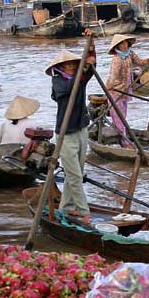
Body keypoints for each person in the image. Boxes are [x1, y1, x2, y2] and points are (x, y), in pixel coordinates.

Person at [46, 37, 96, 224]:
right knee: (75, 175)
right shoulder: (58, 81)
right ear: (61, 66)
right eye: (68, 64)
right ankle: (84, 211)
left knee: (76, 172)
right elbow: (69, 88)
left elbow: (91, 68)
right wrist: (83, 66)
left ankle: (67, 207)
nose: (72, 66)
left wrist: (91, 48)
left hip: (81, 128)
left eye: (73, 64)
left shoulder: (80, 78)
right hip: (65, 134)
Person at [105, 34, 149, 145]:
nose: (124, 45)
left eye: (125, 43)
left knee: (123, 115)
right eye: (121, 44)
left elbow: (140, 62)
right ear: (117, 46)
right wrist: (108, 87)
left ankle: (120, 135)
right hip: (116, 90)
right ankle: (125, 142)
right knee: (119, 117)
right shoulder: (117, 59)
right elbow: (113, 76)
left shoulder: (130, 53)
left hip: (126, 88)